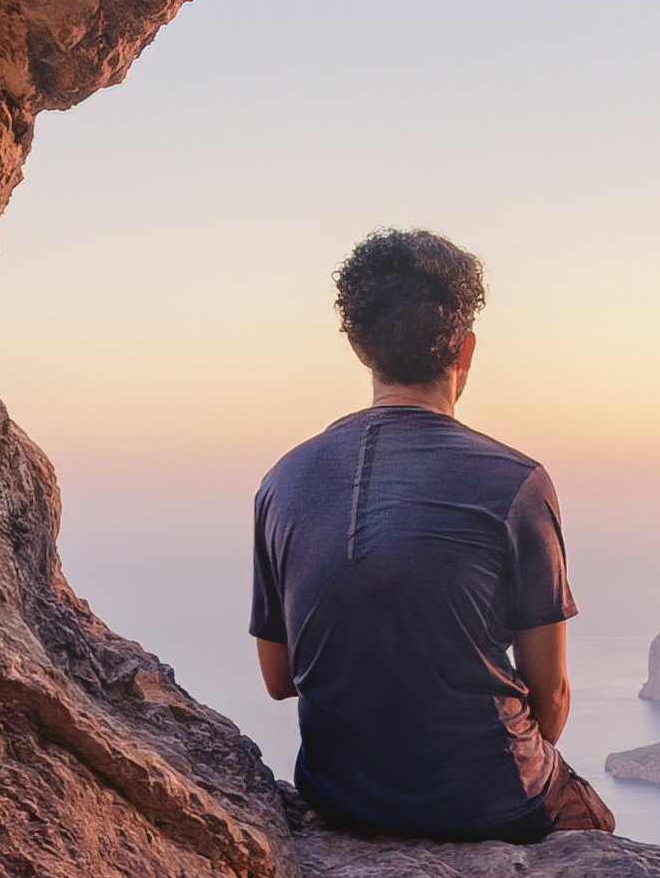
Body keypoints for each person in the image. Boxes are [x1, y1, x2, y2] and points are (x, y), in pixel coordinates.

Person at [250, 229, 621, 845]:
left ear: (359, 346)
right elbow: (550, 697)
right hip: (492, 802)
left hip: (340, 797)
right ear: (465, 350)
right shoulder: (517, 483)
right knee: (595, 828)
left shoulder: (281, 482)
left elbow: (279, 678)